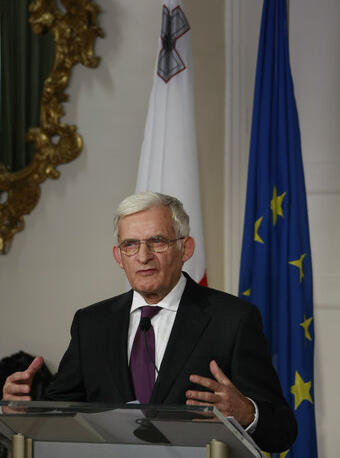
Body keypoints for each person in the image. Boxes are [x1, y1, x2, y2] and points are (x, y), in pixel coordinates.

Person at [2, 192, 297, 452]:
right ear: (119, 256)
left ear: (186, 248)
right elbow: (62, 414)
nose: (143, 256)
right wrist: (24, 411)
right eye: (130, 244)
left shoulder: (233, 319)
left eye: (157, 241)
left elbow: (283, 430)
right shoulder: (90, 323)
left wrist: (246, 412)